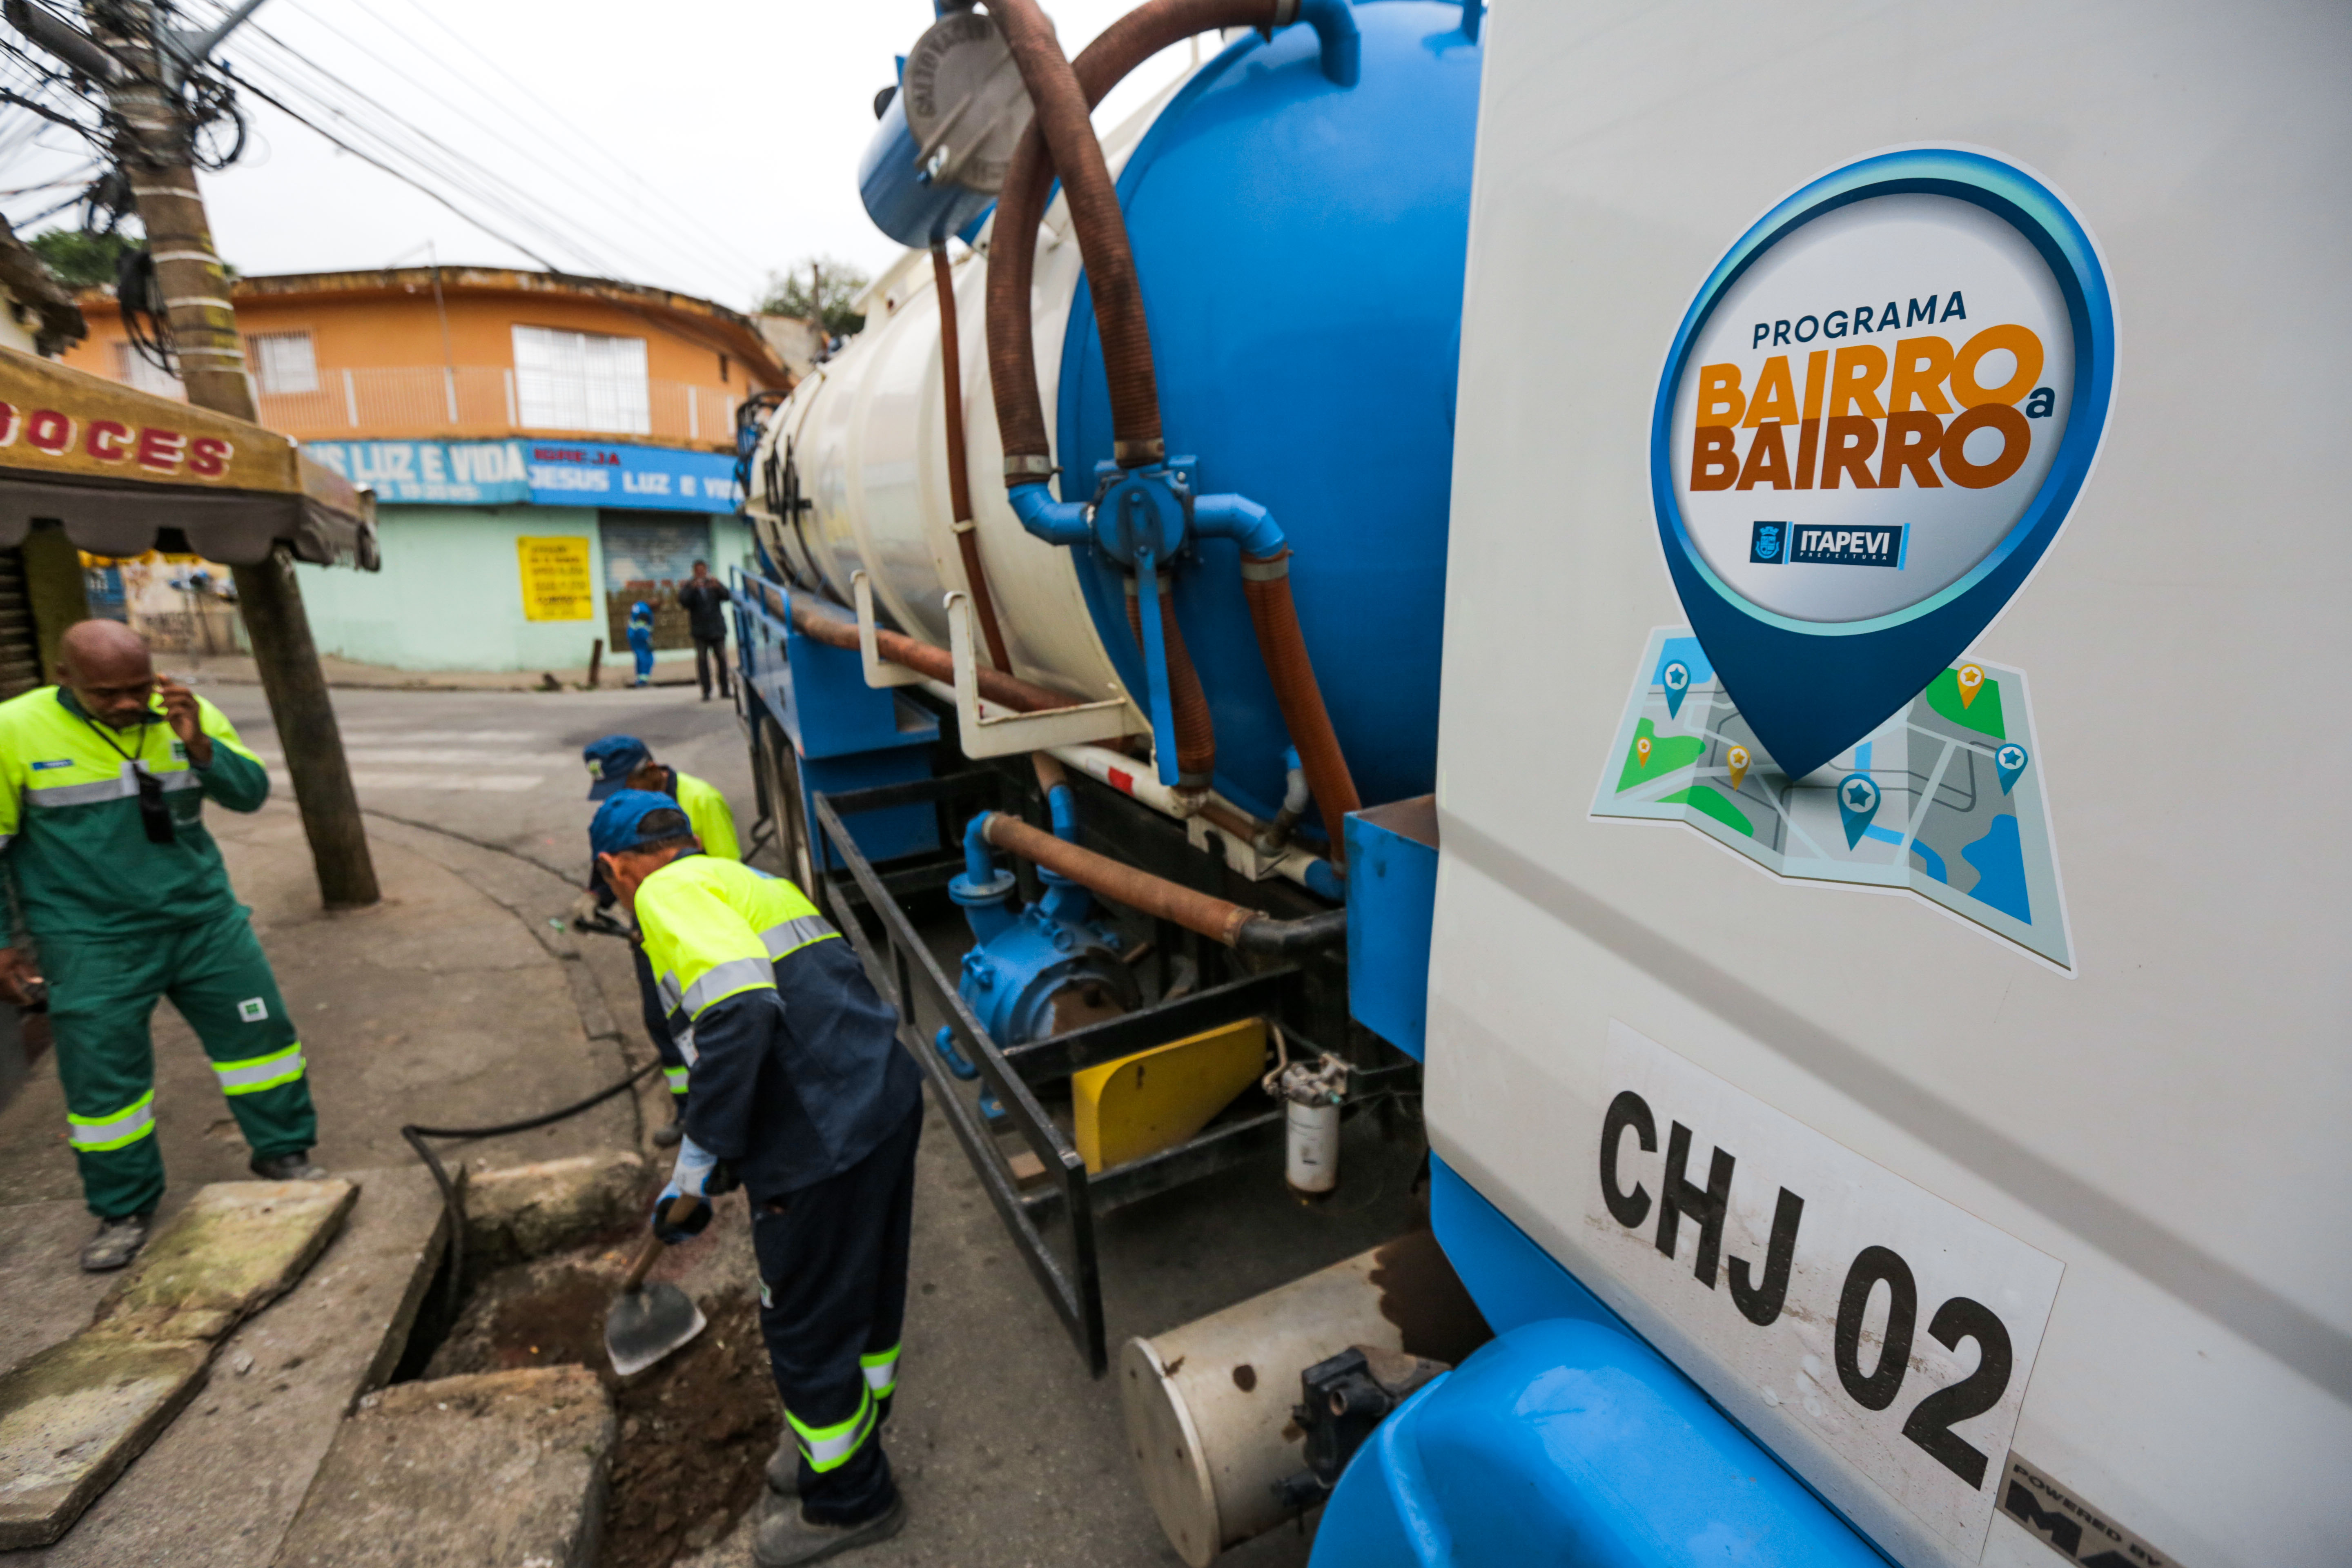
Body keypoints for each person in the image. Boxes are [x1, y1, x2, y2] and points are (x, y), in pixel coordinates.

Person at [591, 790, 920, 1566]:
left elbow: (741, 1011)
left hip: (821, 1144)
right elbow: (809, 1007)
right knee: (866, 1300)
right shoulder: (748, 882)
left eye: (612, 882)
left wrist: (699, 1165)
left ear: (618, 869)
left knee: (805, 1326)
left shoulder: (665, 893)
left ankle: (851, 1501)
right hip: (884, 1102)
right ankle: (841, 1445)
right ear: (692, 837)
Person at [0, 621, 324, 1271]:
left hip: (203, 922)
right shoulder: (14, 729)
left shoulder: (184, 711)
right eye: (107, 693)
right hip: (91, 938)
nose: (127, 704)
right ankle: (123, 1208)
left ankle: (284, 1151)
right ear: (64, 679)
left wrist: (200, 746)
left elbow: (251, 794)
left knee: (263, 1042)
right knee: (104, 1087)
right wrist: (4, 944)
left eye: (137, 688)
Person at [579, 735, 739, 1147]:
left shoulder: (700, 799)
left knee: (706, 1022)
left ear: (651, 771)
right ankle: (687, 1111)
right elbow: (612, 853)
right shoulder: (627, 804)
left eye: (625, 787)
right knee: (661, 1019)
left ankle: (719, 1114)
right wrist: (596, 894)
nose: (619, 799)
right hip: (648, 933)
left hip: (695, 934)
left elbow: (726, 874)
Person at [675, 560, 734, 703]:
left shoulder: (713, 583)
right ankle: (706, 691)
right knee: (702, 661)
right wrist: (691, 589)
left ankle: (725, 690)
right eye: (698, 571)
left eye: (703, 570)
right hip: (700, 631)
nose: (701, 573)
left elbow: (727, 596)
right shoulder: (690, 586)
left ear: (707, 570)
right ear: (694, 572)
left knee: (722, 660)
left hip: (717, 630)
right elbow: (683, 602)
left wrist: (718, 586)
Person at [627, 599, 656, 687]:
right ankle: (643, 681)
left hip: (633, 636)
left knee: (640, 658)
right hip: (640, 638)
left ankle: (640, 679)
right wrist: (647, 639)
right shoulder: (645, 612)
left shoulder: (640, 606)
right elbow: (642, 627)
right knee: (646, 658)